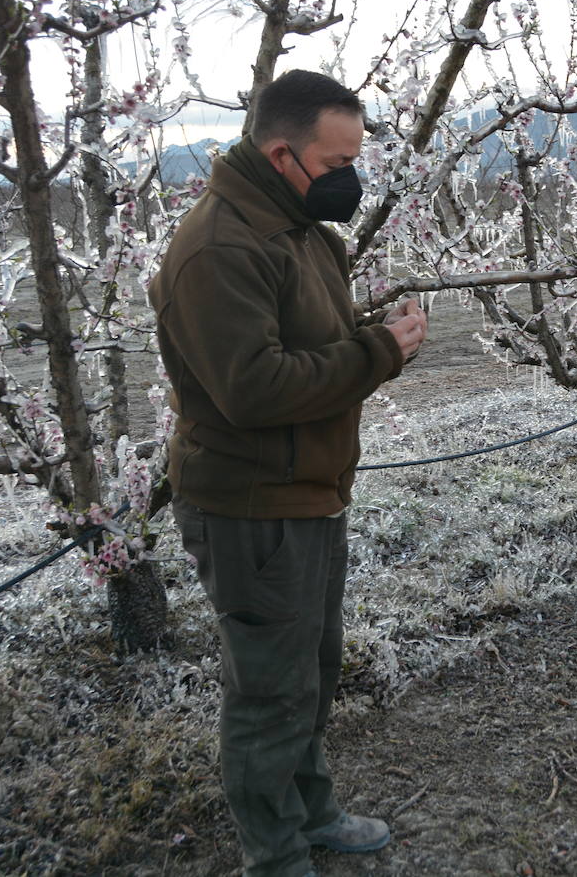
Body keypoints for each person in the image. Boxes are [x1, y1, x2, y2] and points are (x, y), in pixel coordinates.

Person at [149, 69, 427, 877]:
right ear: (281, 154)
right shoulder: (218, 248)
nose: (352, 177)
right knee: (269, 690)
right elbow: (253, 389)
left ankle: (312, 812)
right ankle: (272, 855)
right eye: (338, 162)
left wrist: (374, 337)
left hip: (307, 492)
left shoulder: (301, 229)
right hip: (251, 506)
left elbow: (307, 343)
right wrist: (379, 353)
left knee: (310, 671)